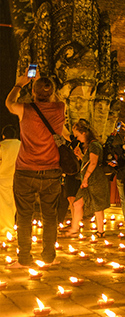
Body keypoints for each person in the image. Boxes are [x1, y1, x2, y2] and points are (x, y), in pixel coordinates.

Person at [5, 72, 68, 267]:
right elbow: (55, 98)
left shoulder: (25, 109)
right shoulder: (59, 108)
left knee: (24, 216)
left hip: (26, 169)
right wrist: (47, 88)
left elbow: (9, 103)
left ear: (32, 92)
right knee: (50, 216)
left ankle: (24, 258)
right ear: (52, 94)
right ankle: (48, 257)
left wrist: (19, 84)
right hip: (51, 170)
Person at [67, 119, 110, 236]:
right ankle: (74, 229)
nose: (77, 137)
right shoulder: (89, 146)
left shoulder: (94, 145)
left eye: (78, 134)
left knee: (97, 205)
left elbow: (93, 162)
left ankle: (100, 231)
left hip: (95, 180)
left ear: (84, 133)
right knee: (77, 203)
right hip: (89, 180)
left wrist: (85, 178)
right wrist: (80, 155)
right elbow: (87, 162)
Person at [0, 125, 22, 238]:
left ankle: (7, 227)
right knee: (13, 203)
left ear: (4, 136)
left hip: (3, 177)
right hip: (18, 176)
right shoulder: (21, 145)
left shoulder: (2, 146)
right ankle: (10, 224)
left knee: (4, 204)